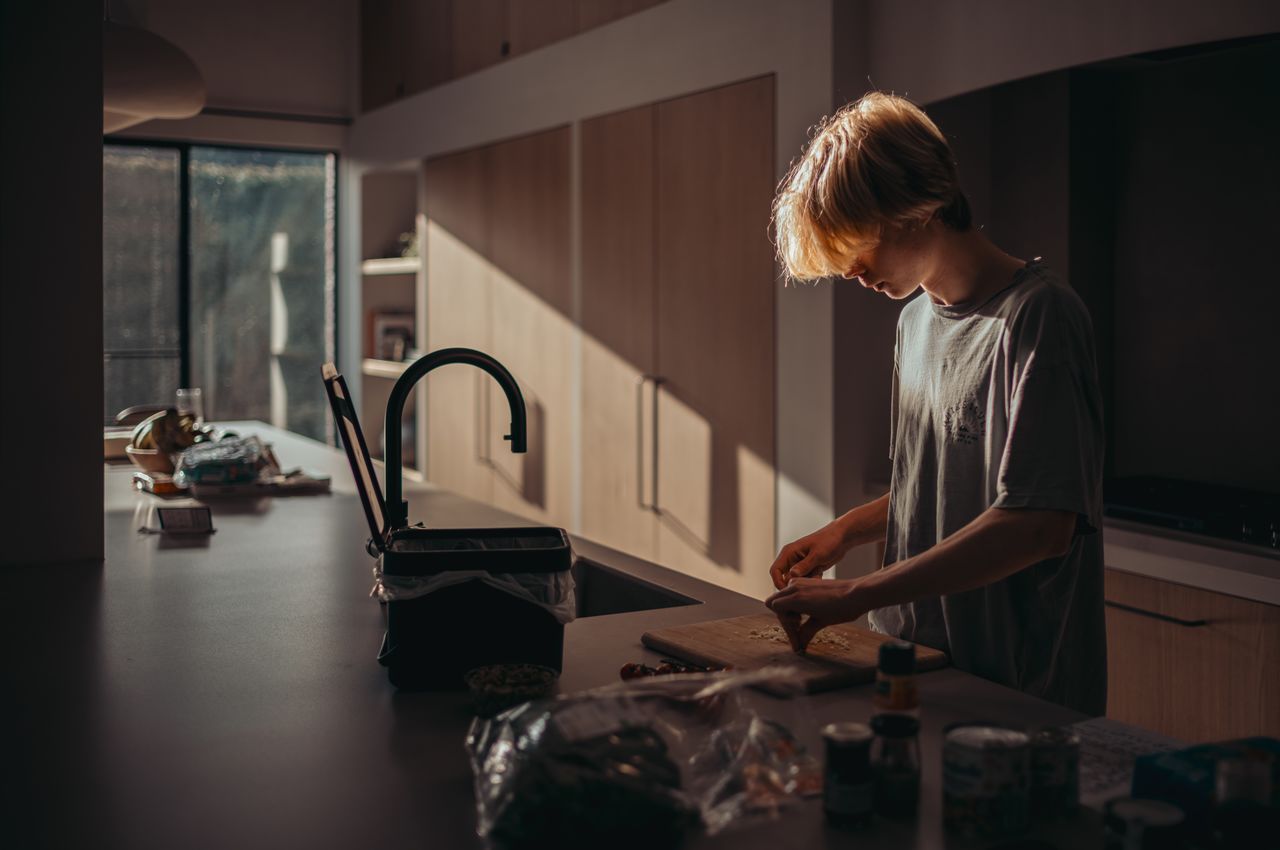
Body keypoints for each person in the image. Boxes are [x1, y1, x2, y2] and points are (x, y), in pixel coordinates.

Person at [765, 92, 1106, 715]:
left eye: (856, 243)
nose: (850, 270)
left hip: (1014, 689)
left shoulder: (1039, 317)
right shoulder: (915, 322)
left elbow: (1038, 525)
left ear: (914, 208)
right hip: (908, 664)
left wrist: (857, 594)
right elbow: (948, 485)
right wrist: (847, 531)